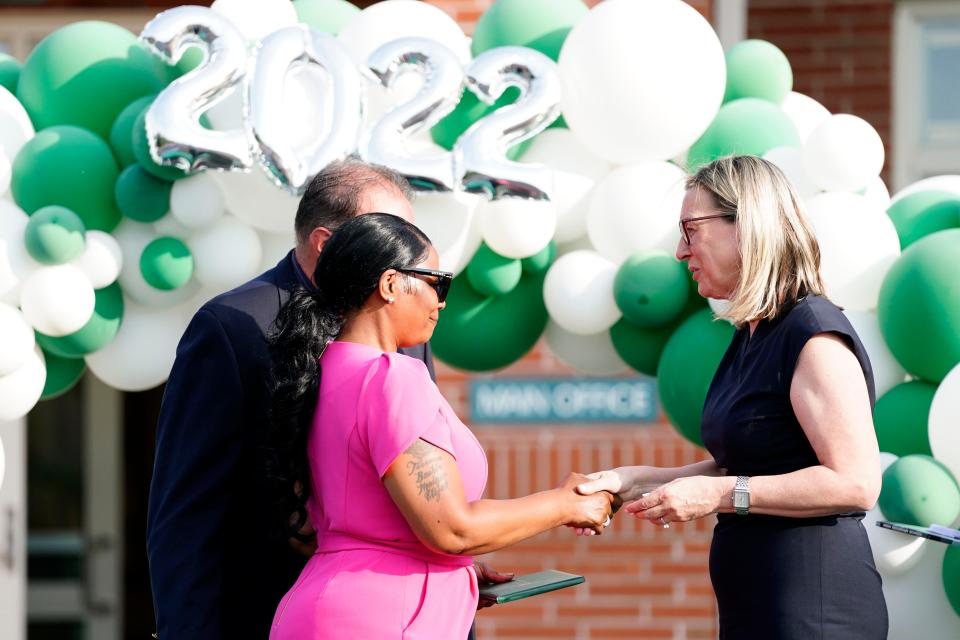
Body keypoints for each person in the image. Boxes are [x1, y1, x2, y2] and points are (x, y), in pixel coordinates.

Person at [578, 155, 888, 639]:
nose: (681, 251)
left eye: (691, 230)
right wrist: (634, 481)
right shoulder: (754, 334)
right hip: (761, 607)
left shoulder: (813, 334)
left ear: (748, 226)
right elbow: (751, 464)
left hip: (815, 611)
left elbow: (856, 482)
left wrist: (720, 495)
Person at [266, 213, 616, 639]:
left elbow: (330, 526)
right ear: (391, 284)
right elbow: (452, 528)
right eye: (437, 283)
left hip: (329, 604)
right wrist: (566, 504)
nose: (442, 301)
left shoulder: (320, 370)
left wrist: (444, 569)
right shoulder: (391, 377)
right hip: (381, 618)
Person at [146, 160, 437, 639]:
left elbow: (422, 469)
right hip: (272, 612)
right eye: (383, 231)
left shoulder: (408, 324)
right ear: (325, 244)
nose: (401, 251)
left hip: (406, 615)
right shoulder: (233, 327)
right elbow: (187, 512)